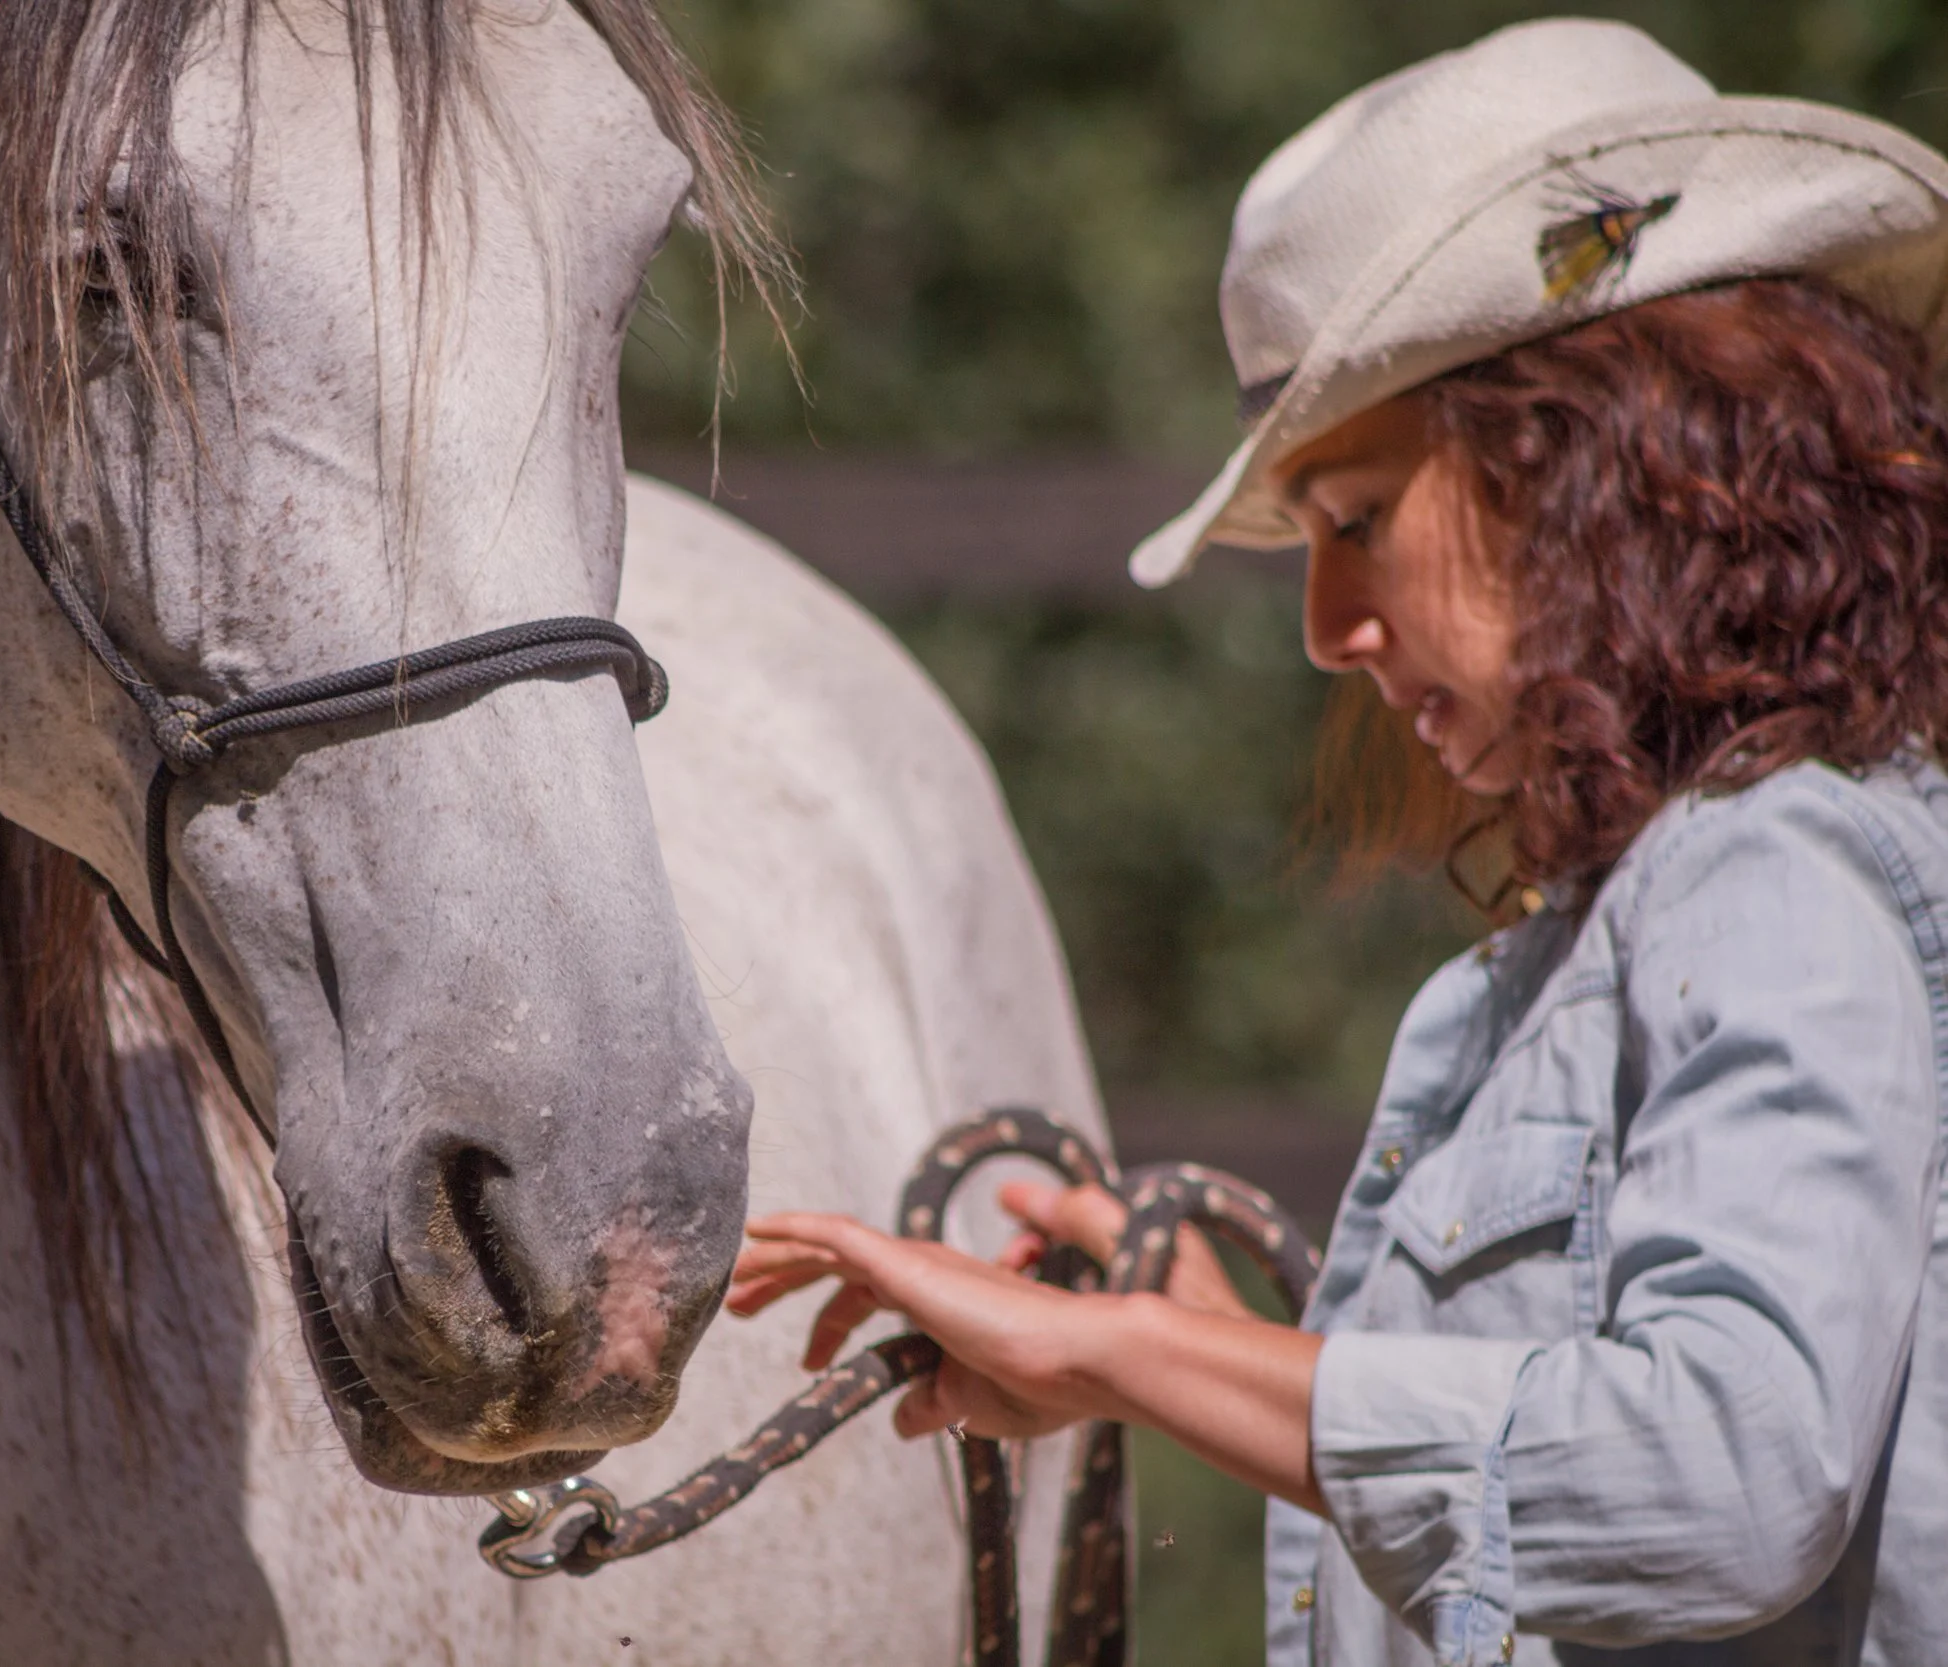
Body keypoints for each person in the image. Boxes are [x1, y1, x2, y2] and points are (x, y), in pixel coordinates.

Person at [727, 20, 1948, 1666]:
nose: (1322, 627)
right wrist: (1219, 1354)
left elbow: (1716, 1476)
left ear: (1593, 462)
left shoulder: (1770, 872)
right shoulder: (1599, 931)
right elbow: (1539, 1474)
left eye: (1358, 519)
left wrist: (1126, 1354)